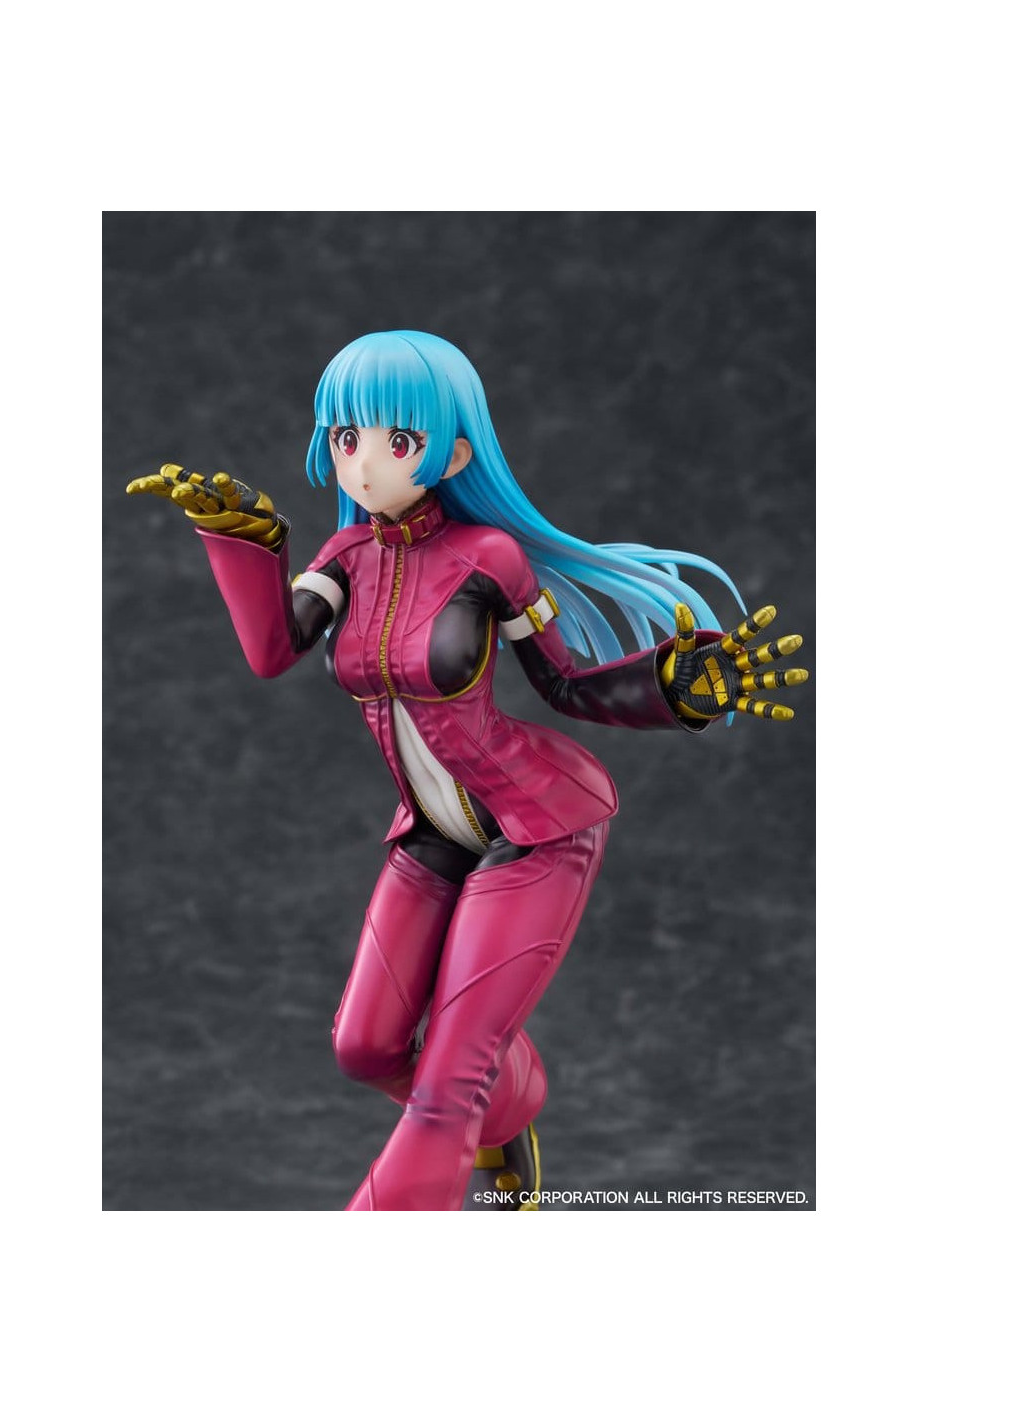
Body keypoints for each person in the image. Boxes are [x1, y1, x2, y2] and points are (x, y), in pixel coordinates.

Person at [126, 330, 808, 1211]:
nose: (363, 463)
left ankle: (465, 1100)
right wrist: (240, 537)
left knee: (447, 1085)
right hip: (432, 835)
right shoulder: (345, 561)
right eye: (346, 437)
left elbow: (564, 683)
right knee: (366, 1047)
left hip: (537, 826)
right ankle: (506, 1100)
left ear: (450, 453)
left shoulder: (489, 559)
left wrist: (669, 685)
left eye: (397, 440)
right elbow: (270, 650)